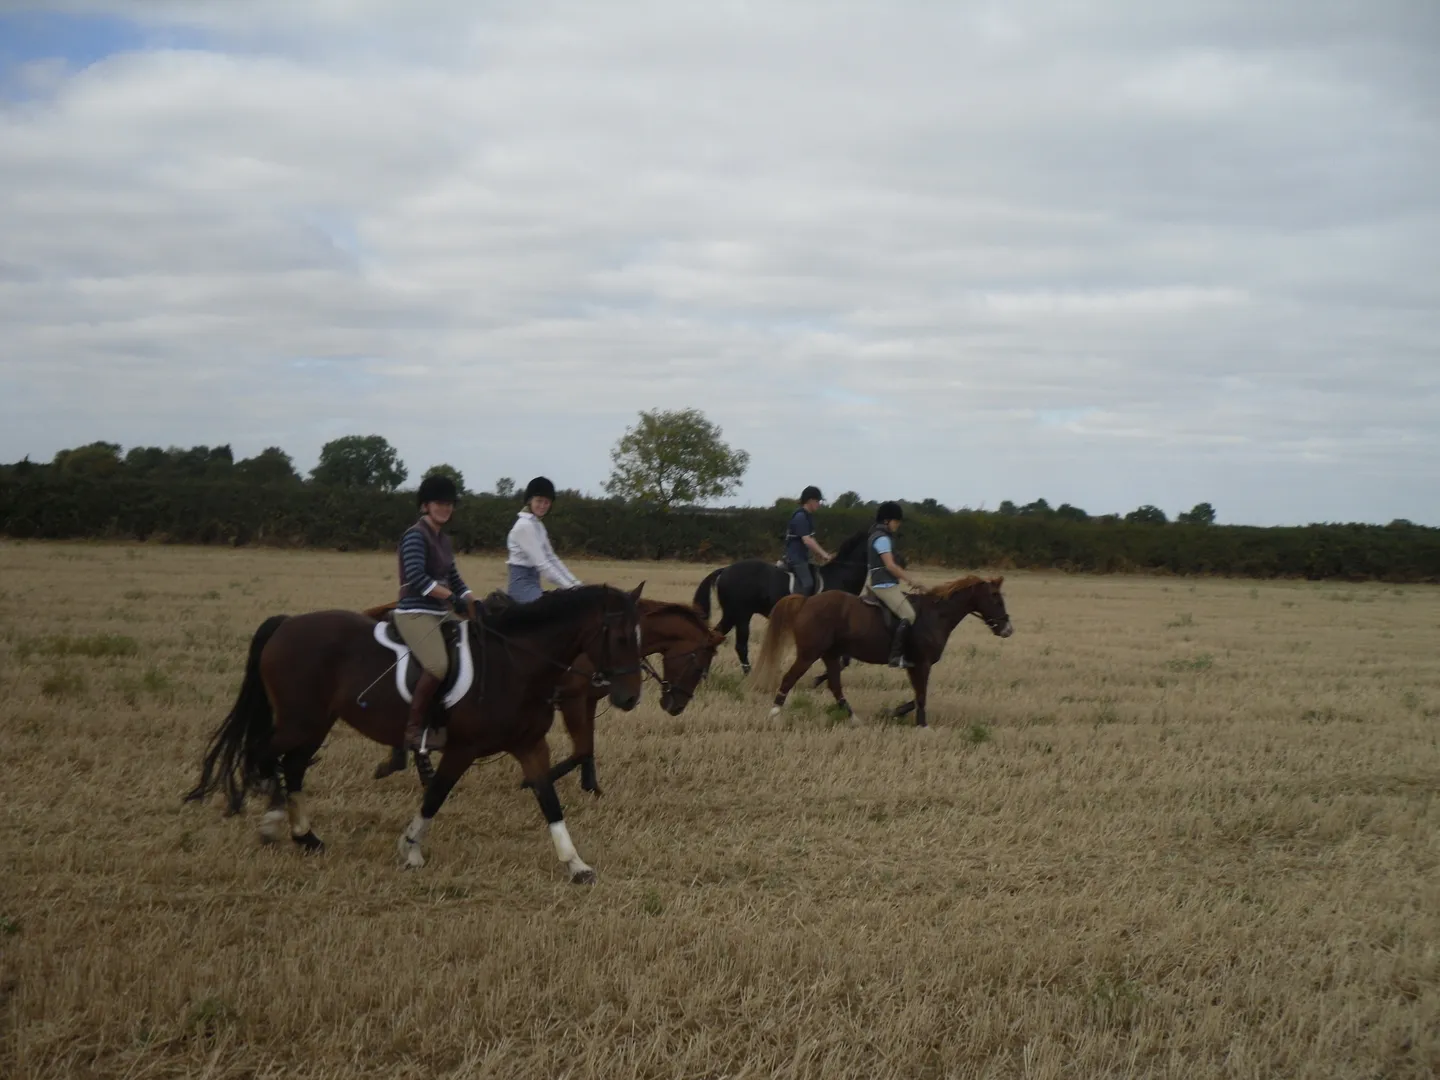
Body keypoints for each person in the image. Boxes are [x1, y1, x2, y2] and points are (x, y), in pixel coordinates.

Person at [395, 473, 475, 751]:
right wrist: (451, 597)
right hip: (414, 612)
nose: (445, 508)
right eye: (440, 503)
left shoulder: (443, 540)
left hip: (440, 612)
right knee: (437, 665)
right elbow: (417, 577)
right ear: (425, 505)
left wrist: (473, 602)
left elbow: (455, 579)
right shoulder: (415, 536)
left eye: (449, 504)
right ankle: (413, 729)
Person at [865, 501, 925, 668]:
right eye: (896, 521)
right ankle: (896, 656)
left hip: (878, 582)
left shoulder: (877, 535)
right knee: (909, 615)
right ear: (887, 521)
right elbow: (890, 566)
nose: (898, 524)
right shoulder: (883, 539)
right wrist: (911, 581)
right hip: (883, 584)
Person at [507, 476, 582, 603]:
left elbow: (552, 558)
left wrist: (576, 584)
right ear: (530, 501)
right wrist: (570, 588)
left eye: (546, 502)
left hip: (534, 584)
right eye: (539, 501)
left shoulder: (537, 524)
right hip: (521, 587)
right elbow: (543, 565)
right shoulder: (524, 526)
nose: (543, 506)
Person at [783, 485, 833, 597]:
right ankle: (799, 605)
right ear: (810, 501)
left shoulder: (807, 516)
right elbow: (807, 540)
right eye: (817, 501)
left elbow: (812, 539)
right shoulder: (800, 517)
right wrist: (824, 554)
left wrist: (821, 554)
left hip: (803, 557)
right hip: (796, 558)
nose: (819, 504)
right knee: (808, 583)